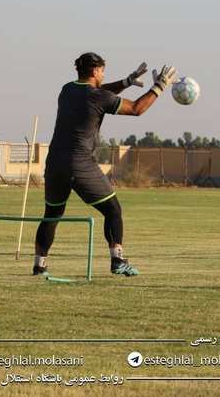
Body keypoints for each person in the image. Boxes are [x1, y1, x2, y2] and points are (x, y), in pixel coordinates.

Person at [33, 52, 176, 277]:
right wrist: (159, 86)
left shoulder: (67, 90)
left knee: (52, 213)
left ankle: (39, 266)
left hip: (54, 163)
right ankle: (118, 260)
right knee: (113, 209)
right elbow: (137, 108)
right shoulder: (97, 97)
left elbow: (100, 94)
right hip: (79, 163)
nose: (103, 74)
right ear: (94, 71)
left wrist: (127, 82)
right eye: (102, 71)